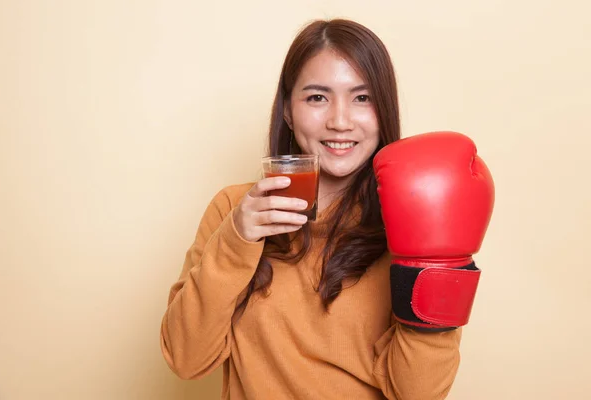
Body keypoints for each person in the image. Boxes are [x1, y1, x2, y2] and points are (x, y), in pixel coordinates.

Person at [160, 18, 494, 400]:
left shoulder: (408, 222)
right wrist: (236, 241)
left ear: (384, 110)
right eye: (317, 97)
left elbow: (416, 394)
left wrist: (437, 266)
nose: (339, 121)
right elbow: (186, 360)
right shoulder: (233, 210)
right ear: (288, 111)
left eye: (362, 98)